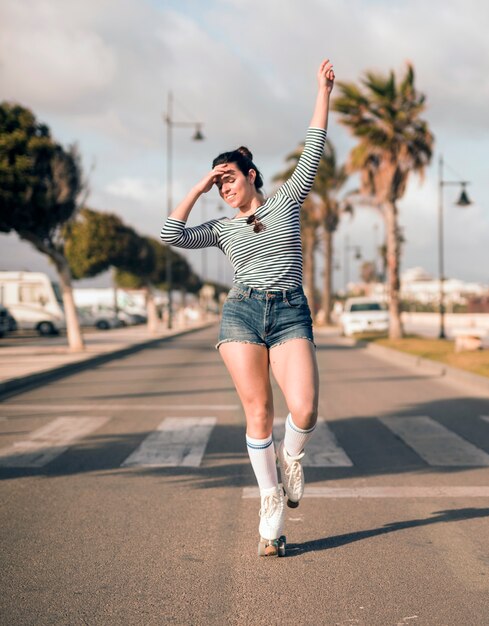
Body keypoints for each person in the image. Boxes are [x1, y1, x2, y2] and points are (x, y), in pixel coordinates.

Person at [160, 59, 334, 557]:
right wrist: (198, 186)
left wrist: (322, 91)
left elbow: (314, 145)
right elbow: (172, 235)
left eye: (229, 177)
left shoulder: (285, 200)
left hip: (289, 312)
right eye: (219, 184)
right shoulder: (219, 227)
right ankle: (269, 498)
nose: (224, 187)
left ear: (251, 175)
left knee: (304, 408)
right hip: (241, 314)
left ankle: (292, 459)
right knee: (258, 410)